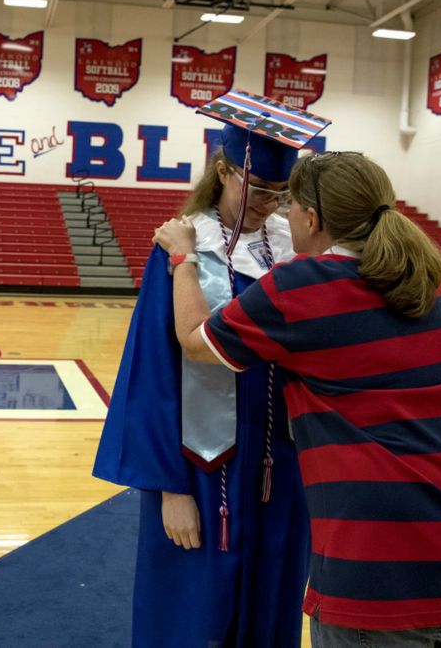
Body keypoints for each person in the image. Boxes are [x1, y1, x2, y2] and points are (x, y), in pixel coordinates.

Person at [154, 152, 441, 647]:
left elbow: (195, 341)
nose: (283, 213)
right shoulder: (426, 285)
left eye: (291, 204)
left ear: (311, 219)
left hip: (385, 566)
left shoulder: (301, 289)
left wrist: (184, 256)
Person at [93, 123, 310, 647]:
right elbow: (152, 372)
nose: (268, 204)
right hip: (203, 468)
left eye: (280, 195)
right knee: (194, 611)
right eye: (258, 190)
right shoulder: (182, 246)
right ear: (223, 171)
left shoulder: (294, 249)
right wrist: (168, 489)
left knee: (274, 594)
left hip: (283, 466)